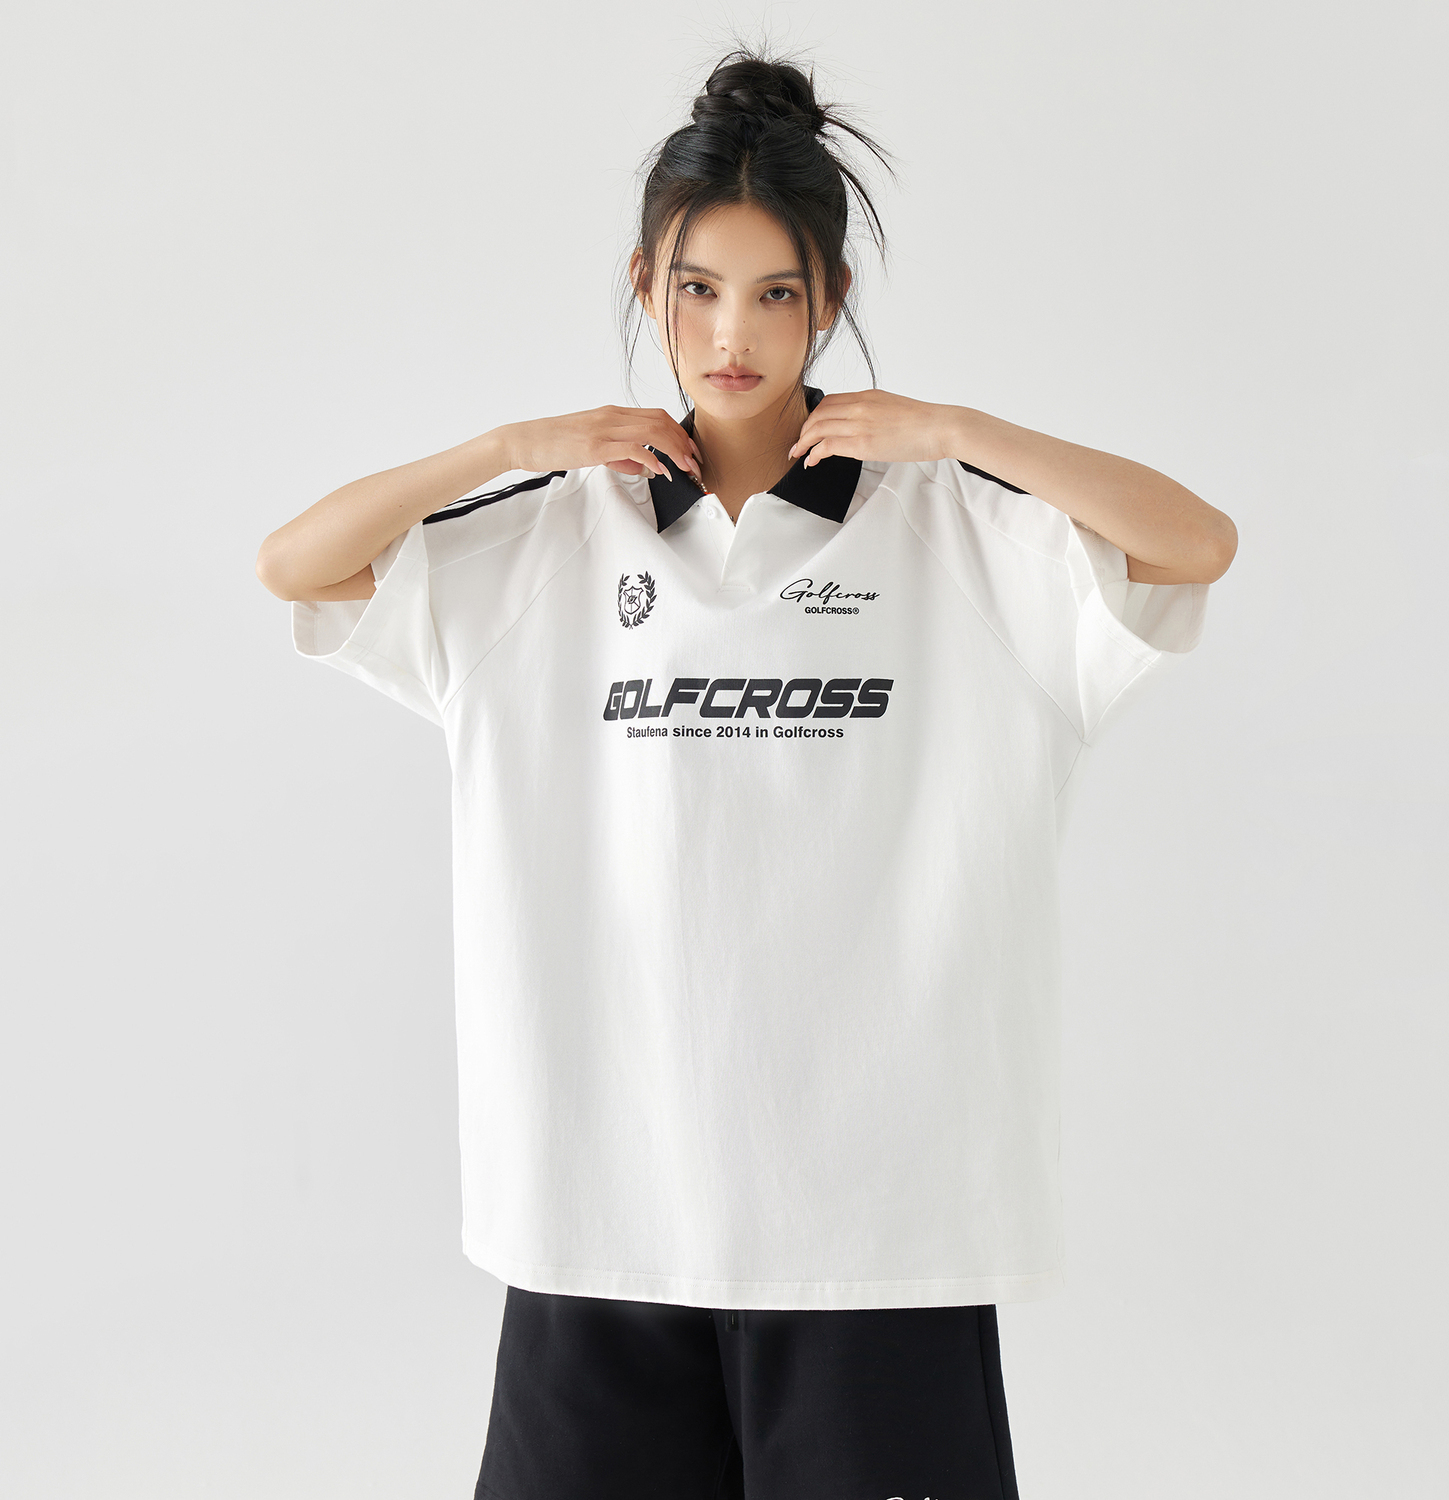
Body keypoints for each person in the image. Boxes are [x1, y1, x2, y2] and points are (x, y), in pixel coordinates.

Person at [256, 44, 1236, 1500]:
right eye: (697, 288)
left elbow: (1195, 545)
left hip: (878, 1239)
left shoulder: (962, 534)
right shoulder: (554, 534)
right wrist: (514, 444)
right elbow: (297, 566)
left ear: (827, 301)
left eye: (777, 293)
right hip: (600, 1221)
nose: (732, 333)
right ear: (645, 286)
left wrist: (955, 433)